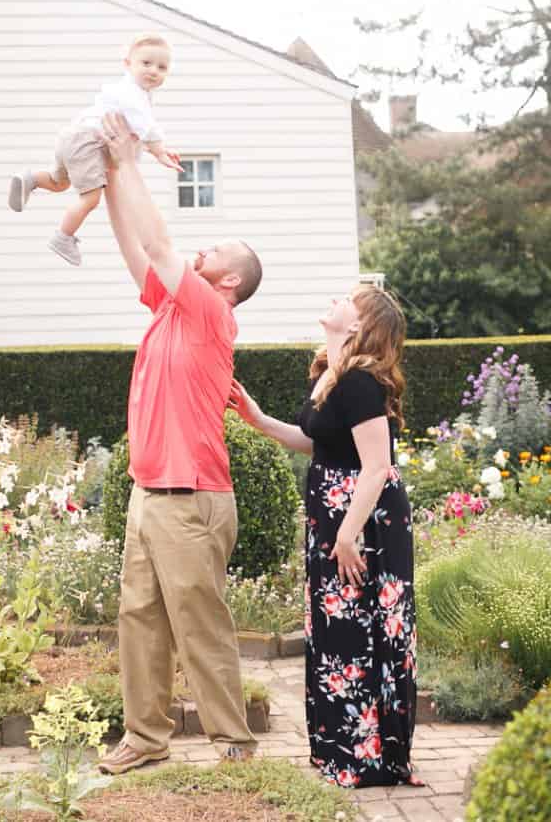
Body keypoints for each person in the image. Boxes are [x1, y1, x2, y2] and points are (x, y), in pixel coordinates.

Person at [90, 113, 265, 776]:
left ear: (228, 283)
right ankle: (145, 737)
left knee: (199, 626)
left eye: (214, 252)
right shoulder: (170, 306)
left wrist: (130, 161)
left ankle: (235, 747)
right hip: (150, 493)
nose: (201, 252)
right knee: (139, 619)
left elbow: (161, 244)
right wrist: (110, 177)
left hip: (192, 499)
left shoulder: (211, 313)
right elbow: (139, 250)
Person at [228, 284, 419, 789]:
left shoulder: (359, 382)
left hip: (365, 523)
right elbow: (316, 444)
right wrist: (257, 418)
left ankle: (372, 759)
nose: (334, 303)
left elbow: (377, 468)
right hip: (339, 521)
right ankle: (344, 752)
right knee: (338, 632)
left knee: (364, 630)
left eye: (346, 302)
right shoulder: (331, 377)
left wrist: (349, 535)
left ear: (358, 326)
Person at [6, 34, 182, 266]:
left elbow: (136, 132)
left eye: (162, 67)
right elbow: (145, 127)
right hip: (88, 143)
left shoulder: (127, 91)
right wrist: (159, 152)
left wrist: (155, 149)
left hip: (73, 137)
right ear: (128, 64)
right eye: (146, 63)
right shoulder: (133, 94)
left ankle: (31, 179)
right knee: (90, 199)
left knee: (59, 182)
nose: (153, 71)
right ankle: (63, 237)